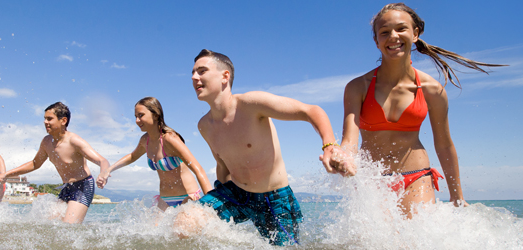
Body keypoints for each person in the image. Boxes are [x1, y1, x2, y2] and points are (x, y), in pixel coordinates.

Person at [336, 3, 506, 217]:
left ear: (415, 34)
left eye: (401, 29)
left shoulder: (432, 90)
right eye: (384, 32)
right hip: (372, 180)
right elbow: (349, 141)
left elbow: (444, 144)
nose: (393, 36)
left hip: (416, 176)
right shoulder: (357, 87)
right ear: (376, 41)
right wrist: (344, 158)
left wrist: (457, 196)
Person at [174, 49, 344, 246]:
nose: (194, 77)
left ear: (225, 76)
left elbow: (310, 111)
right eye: (193, 73)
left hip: (275, 200)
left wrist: (330, 145)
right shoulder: (204, 125)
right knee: (184, 223)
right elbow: (222, 164)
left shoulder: (251, 104)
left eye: (201, 71)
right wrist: (219, 206)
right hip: (236, 192)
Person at [97, 97, 213, 210]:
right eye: (136, 117)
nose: (137, 121)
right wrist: (108, 170)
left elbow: (198, 170)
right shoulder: (145, 140)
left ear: (156, 115)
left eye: (141, 115)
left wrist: (211, 204)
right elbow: (132, 157)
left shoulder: (170, 139)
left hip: (188, 197)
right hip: (164, 199)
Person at [4, 102, 110, 224]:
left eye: (49, 119)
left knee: (69, 227)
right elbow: (35, 164)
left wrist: (103, 173)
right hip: (66, 187)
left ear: (63, 120)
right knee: (52, 227)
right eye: (44, 119)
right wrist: (6, 174)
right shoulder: (46, 141)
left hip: (83, 186)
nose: (45, 122)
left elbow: (102, 160)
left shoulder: (74, 141)